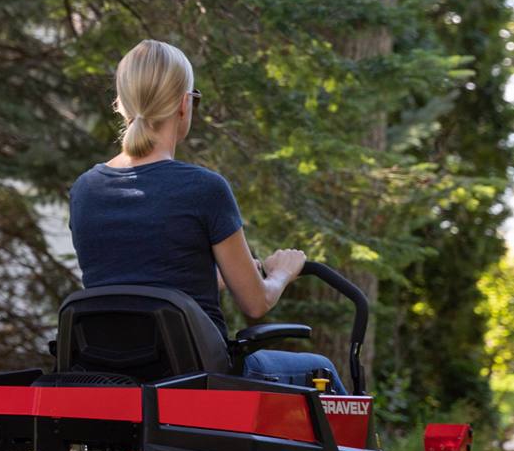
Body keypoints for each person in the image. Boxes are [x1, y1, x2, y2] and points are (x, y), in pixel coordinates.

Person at [68, 39, 348, 394]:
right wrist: (280, 273)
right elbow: (256, 302)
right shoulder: (204, 189)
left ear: (120, 104)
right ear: (185, 105)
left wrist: (206, 277)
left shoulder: (85, 190)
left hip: (107, 371)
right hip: (197, 375)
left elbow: (129, 279)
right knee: (320, 369)